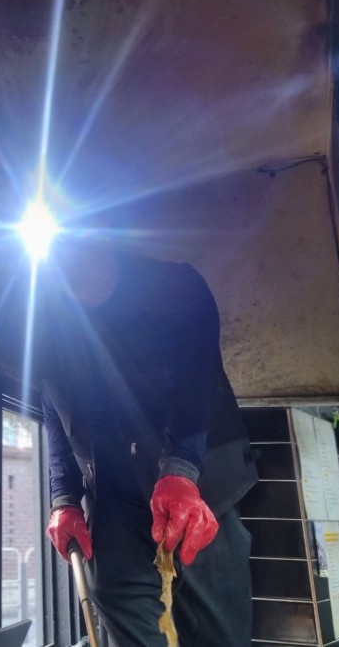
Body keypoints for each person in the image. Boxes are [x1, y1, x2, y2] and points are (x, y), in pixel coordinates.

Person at [39, 243, 258, 646]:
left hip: (195, 492)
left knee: (216, 632)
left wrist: (181, 471)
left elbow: (196, 387)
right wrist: (63, 497)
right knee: (114, 595)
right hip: (112, 498)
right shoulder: (43, 318)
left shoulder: (175, 287)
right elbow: (52, 405)